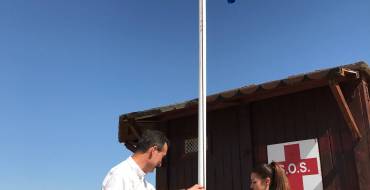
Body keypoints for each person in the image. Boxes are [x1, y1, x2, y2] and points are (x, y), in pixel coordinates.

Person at [102, 129, 204, 190]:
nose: (160, 164)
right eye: (162, 157)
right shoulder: (119, 175)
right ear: (154, 150)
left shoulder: (146, 185)